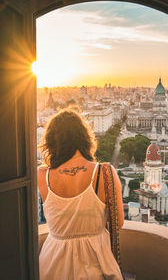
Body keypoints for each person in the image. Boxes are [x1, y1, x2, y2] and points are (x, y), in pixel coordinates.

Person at [38, 109, 124, 280]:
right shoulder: (104, 172)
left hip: (52, 260)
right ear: (85, 137)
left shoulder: (41, 174)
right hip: (96, 259)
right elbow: (118, 222)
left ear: (51, 141)